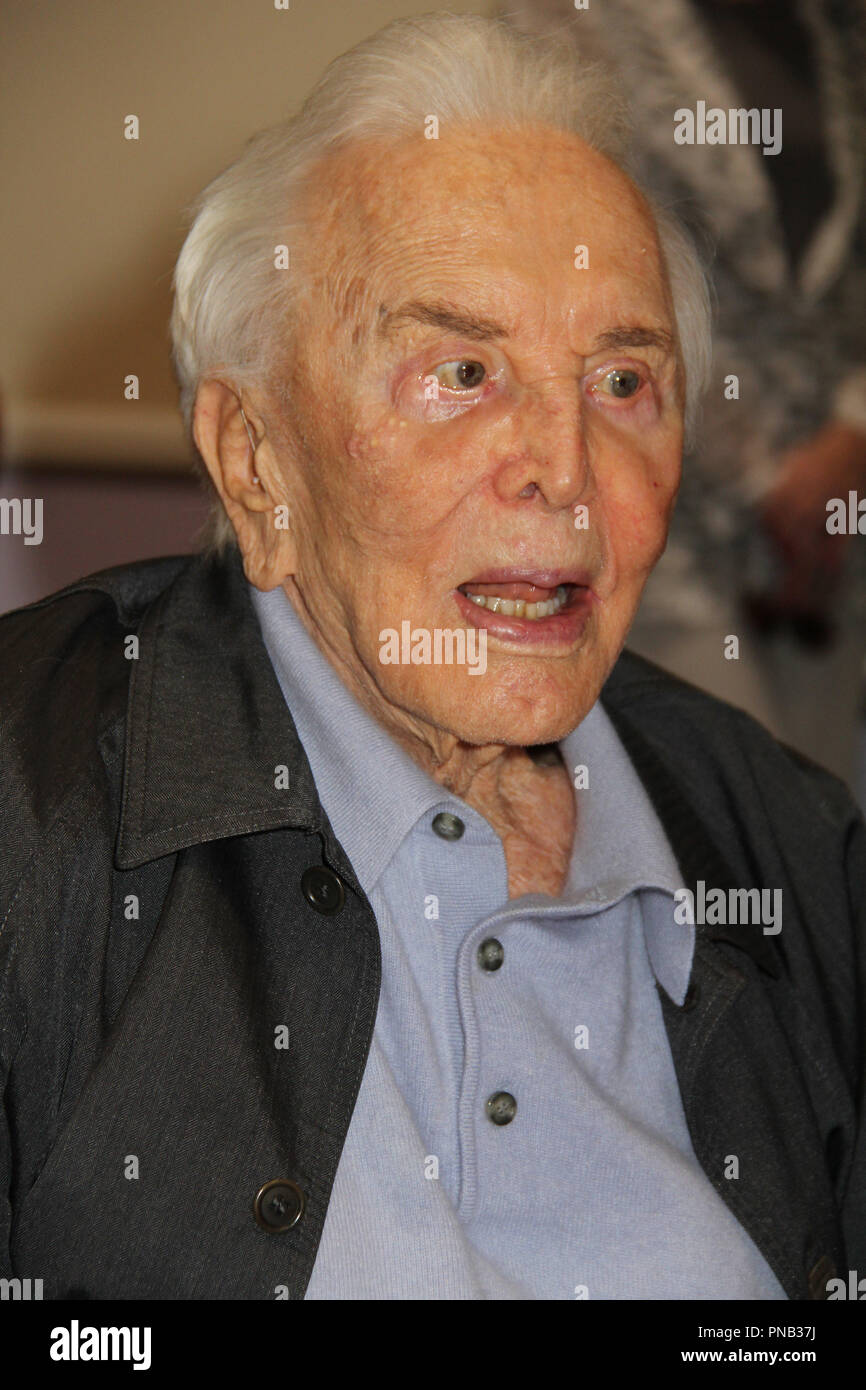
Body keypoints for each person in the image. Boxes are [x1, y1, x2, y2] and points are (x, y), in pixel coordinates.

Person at [1, 13, 863, 1301]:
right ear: (255, 462)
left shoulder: (793, 847)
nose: (564, 471)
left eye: (621, 383)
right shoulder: (31, 806)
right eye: (462, 371)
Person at [509, 0, 866, 796]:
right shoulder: (565, 20)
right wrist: (771, 478)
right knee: (716, 818)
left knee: (815, 821)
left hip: (833, 535)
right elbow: (589, 274)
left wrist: (854, 426)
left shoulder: (840, 26)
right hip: (665, 519)